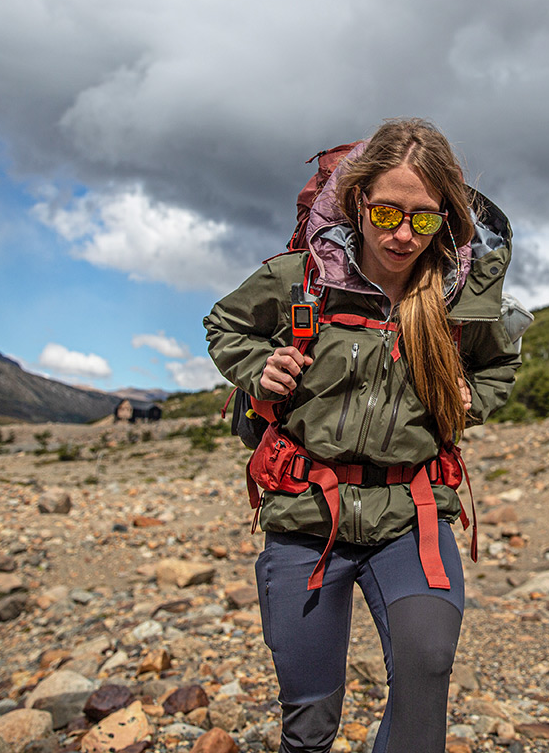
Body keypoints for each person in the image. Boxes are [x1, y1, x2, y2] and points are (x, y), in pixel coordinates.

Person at [204, 119, 521, 753]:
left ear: (444, 219)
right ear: (358, 201)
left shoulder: (463, 297)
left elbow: (498, 364)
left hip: (411, 515)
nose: (404, 235)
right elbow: (224, 325)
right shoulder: (300, 277)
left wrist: (472, 400)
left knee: (427, 667)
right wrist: (257, 371)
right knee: (311, 718)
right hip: (305, 516)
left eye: (425, 219)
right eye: (387, 212)